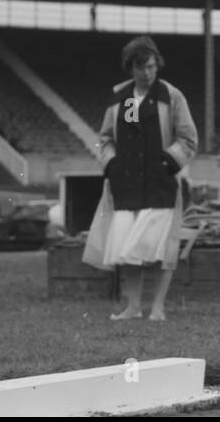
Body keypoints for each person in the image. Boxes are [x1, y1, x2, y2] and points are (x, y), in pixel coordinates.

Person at [84, 36, 198, 321]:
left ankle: (158, 307)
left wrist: (168, 161)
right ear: (130, 69)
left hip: (161, 184)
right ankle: (133, 306)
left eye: (151, 67)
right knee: (128, 249)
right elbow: (104, 139)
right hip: (127, 184)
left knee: (162, 247)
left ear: (157, 65)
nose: (147, 73)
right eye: (140, 68)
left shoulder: (171, 96)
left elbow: (189, 139)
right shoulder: (118, 97)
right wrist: (110, 161)